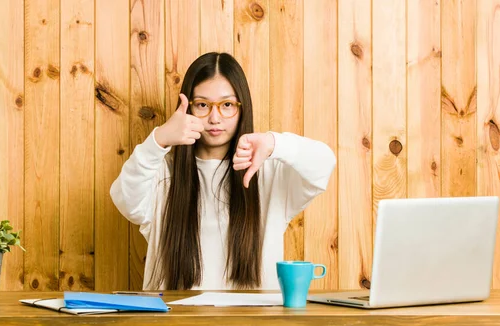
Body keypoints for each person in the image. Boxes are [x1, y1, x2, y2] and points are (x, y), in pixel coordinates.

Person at [110, 52, 336, 291]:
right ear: (187, 109)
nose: (214, 118)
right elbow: (125, 199)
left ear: (242, 108)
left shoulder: (269, 173)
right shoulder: (161, 174)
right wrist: (159, 139)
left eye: (227, 105)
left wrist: (274, 143)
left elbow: (323, 165)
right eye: (202, 105)